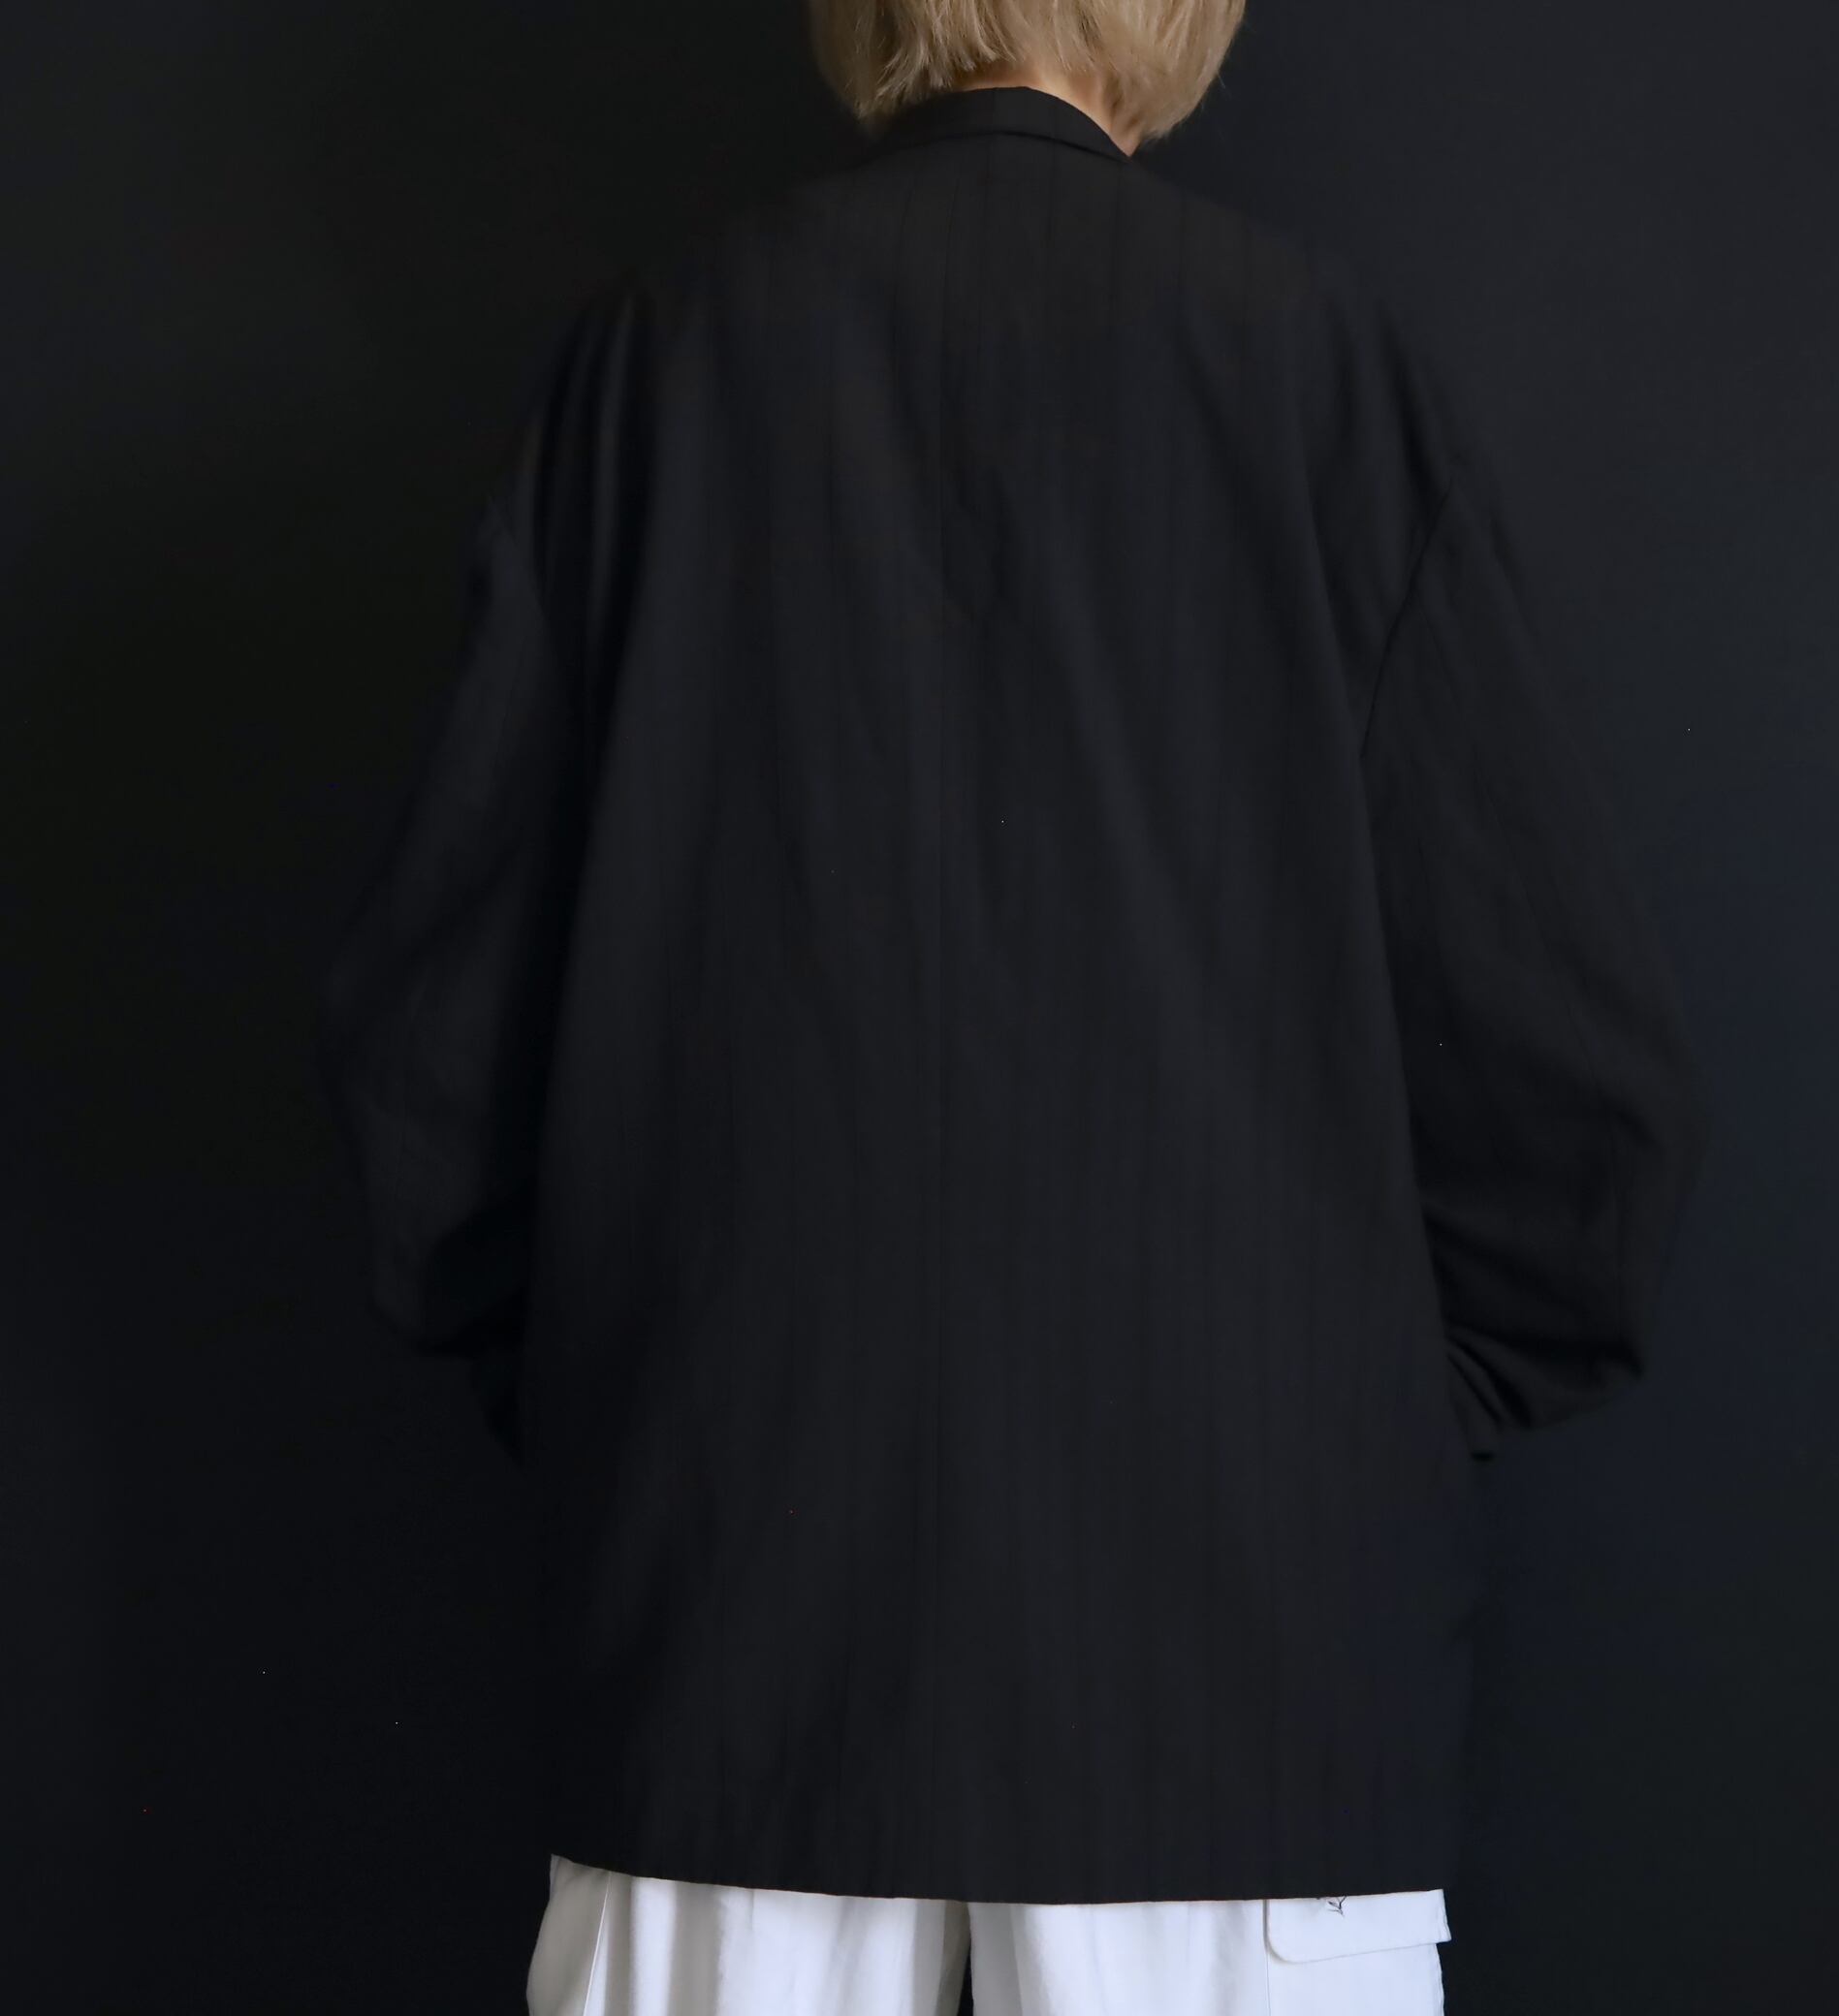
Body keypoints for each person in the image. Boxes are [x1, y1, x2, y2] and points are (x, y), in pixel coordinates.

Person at [315, 3, 1713, 2011]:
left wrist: (653, 1409)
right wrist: (1357, 1437)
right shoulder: (1314, 361)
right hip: (1244, 1693)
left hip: (730, 1647)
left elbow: (431, 1055)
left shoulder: (662, 360)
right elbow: (1571, 1078)